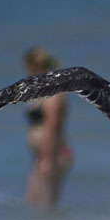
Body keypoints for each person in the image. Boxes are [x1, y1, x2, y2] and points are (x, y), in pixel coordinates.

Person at [22, 47, 74, 208]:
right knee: (31, 201)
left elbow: (52, 126)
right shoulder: (42, 91)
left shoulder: (54, 94)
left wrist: (47, 158)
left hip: (53, 155)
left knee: (46, 203)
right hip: (41, 157)